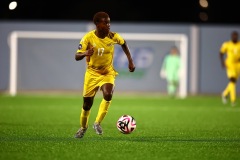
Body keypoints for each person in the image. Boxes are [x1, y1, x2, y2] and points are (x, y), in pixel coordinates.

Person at [74, 11, 135, 138]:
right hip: (92, 73)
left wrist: (130, 60)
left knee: (108, 94)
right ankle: (83, 127)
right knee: (87, 104)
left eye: (109, 22)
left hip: (107, 72)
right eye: (105, 22)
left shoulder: (113, 36)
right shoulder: (88, 38)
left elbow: (124, 43)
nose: (108, 25)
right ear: (97, 24)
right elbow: (76, 56)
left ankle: (97, 123)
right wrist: (85, 53)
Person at [220, 31, 240, 107]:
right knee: (232, 80)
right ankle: (233, 100)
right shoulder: (227, 45)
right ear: (231, 37)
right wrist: (222, 62)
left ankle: (225, 93)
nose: (234, 37)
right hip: (230, 65)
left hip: (238, 65)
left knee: (233, 82)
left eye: (236, 36)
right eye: (233, 36)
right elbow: (221, 53)